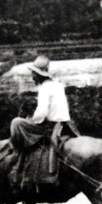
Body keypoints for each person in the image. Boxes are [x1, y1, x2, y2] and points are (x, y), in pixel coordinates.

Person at [10, 55, 79, 185]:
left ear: (38, 74)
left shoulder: (44, 88)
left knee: (16, 122)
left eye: (33, 74)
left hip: (50, 125)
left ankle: (18, 157)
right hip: (64, 123)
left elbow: (42, 112)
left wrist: (31, 120)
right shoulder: (58, 85)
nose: (32, 76)